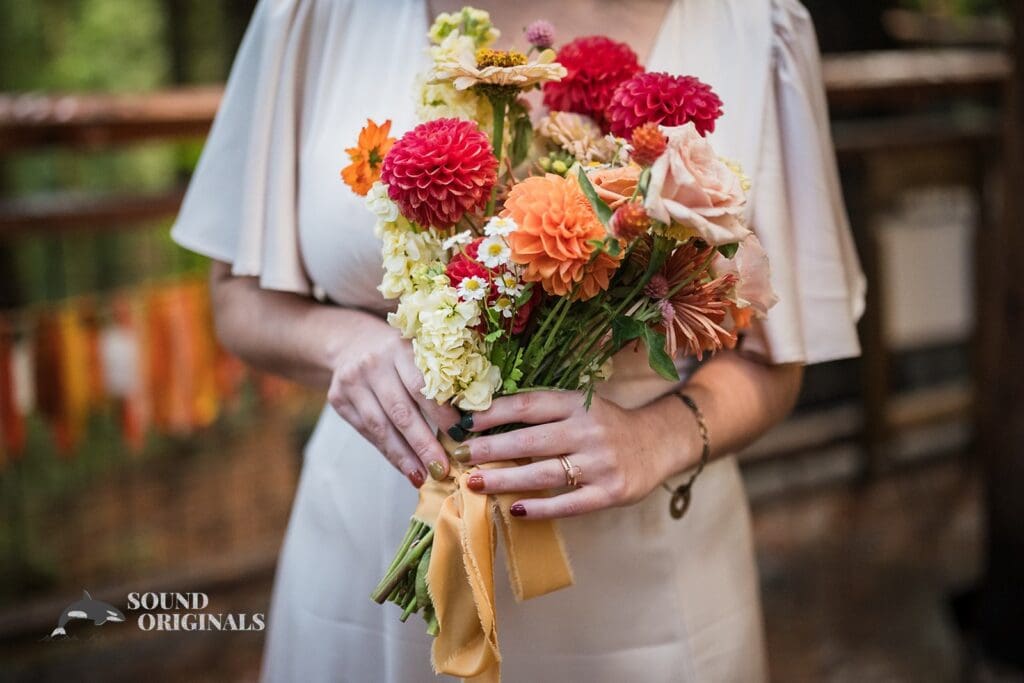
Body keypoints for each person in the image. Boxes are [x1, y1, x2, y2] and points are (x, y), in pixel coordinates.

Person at [171, 0, 865, 680]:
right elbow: (237, 297)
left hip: (643, 576)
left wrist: (659, 437)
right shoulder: (311, 13)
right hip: (370, 533)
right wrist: (344, 345)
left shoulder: (756, 24)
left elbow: (777, 358)